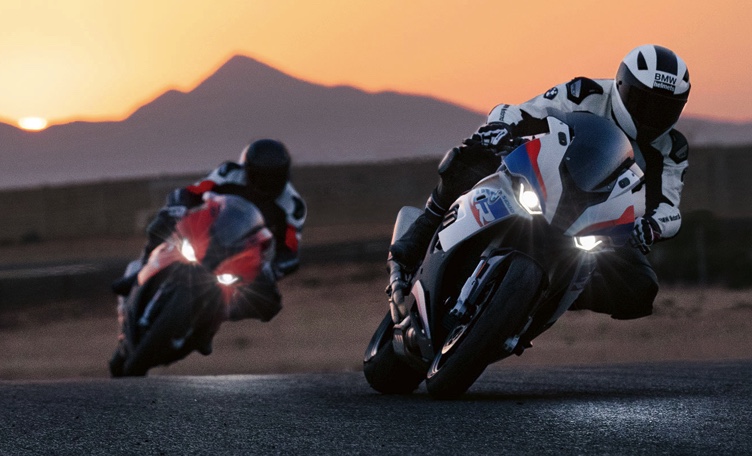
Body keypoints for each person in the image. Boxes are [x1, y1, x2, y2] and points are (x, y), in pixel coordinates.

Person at [389, 44, 691, 320]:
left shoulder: (671, 148)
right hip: (546, 178)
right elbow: (524, 111)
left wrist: (650, 227)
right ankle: (418, 237)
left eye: (664, 108)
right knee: (468, 158)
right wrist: (498, 127)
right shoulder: (582, 92)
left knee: (640, 291)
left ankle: (544, 298)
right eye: (642, 102)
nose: (651, 115)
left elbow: (669, 206)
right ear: (622, 86)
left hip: (603, 219)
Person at [112, 138, 307, 325]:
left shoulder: (293, 205)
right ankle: (139, 275)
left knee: (269, 303)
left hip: (248, 253)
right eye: (260, 176)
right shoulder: (228, 173)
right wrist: (178, 207)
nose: (266, 183)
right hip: (210, 232)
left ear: (284, 175)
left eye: (273, 178)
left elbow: (290, 249)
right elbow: (193, 191)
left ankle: (214, 318)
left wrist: (276, 268)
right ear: (247, 169)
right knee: (162, 224)